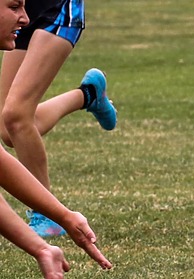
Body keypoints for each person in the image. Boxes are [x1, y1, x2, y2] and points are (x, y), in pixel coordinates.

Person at [0, 0, 112, 277]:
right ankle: (87, 95)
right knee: (8, 125)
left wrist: (56, 223)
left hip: (55, 6)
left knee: (15, 116)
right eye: (16, 9)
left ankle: (45, 217)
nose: (23, 19)